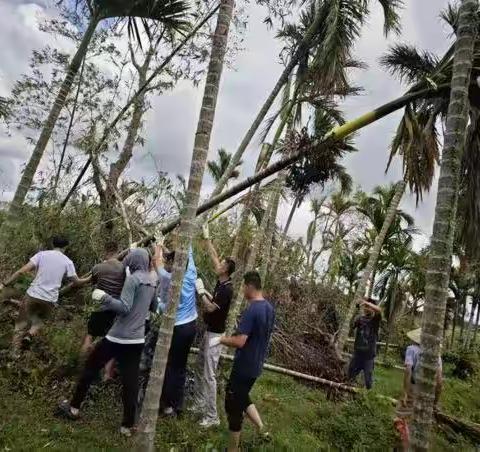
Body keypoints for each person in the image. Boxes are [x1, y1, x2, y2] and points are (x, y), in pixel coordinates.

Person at [56, 248, 158, 437]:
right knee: (130, 382)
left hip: (118, 336)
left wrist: (104, 297)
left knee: (90, 367)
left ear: (133, 260)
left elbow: (124, 307)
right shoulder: (152, 280)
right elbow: (154, 306)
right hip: (137, 339)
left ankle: (73, 408)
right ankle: (127, 426)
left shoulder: (133, 279)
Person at [211, 271, 275, 452]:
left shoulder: (252, 309)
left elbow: (240, 341)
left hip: (244, 366)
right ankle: (262, 429)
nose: (242, 290)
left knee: (233, 404)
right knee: (241, 395)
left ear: (249, 286)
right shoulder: (269, 308)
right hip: (256, 365)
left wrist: (221, 340)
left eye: (243, 287)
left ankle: (233, 450)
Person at [0, 235, 85, 354]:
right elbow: (77, 282)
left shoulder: (42, 254)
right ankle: (30, 334)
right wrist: (91, 277)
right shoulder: (67, 262)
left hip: (33, 294)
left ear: (53, 244)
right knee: (41, 322)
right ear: (66, 247)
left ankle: (15, 355)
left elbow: (21, 271)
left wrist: (4, 283)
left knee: (20, 326)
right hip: (49, 300)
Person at [190, 223, 235, 428]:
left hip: (216, 336)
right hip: (209, 332)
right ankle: (200, 403)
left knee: (209, 374)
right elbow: (214, 257)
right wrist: (207, 239)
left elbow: (209, 309)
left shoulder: (226, 290)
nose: (218, 264)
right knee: (199, 366)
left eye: (222, 264)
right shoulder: (221, 282)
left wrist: (200, 292)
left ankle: (212, 416)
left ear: (225, 270)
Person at [153, 245, 198, 417]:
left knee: (171, 366)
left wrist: (158, 245)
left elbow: (156, 261)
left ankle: (168, 406)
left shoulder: (167, 278)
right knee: (180, 366)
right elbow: (189, 250)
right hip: (191, 326)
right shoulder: (191, 272)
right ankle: (178, 404)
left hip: (178, 328)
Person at [80, 241, 125, 380]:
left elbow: (93, 283)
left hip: (99, 308)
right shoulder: (123, 269)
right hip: (116, 310)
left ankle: (80, 364)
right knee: (112, 342)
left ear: (105, 252)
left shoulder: (97, 268)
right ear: (118, 251)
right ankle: (107, 375)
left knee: (90, 335)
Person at [394, 328, 443, 449]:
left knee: (401, 417)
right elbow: (439, 381)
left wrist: (405, 392)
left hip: (414, 388)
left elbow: (408, 370)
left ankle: (402, 445)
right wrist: (435, 403)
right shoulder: (437, 355)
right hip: (429, 393)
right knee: (422, 425)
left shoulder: (412, 349)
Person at [347, 298, 382, 390]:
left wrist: (366, 303)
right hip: (358, 354)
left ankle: (368, 398)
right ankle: (349, 394)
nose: (366, 308)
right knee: (350, 376)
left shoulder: (375, 321)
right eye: (365, 307)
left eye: (369, 307)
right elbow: (352, 326)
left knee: (368, 380)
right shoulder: (360, 319)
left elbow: (379, 310)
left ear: (372, 308)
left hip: (369, 357)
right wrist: (357, 308)